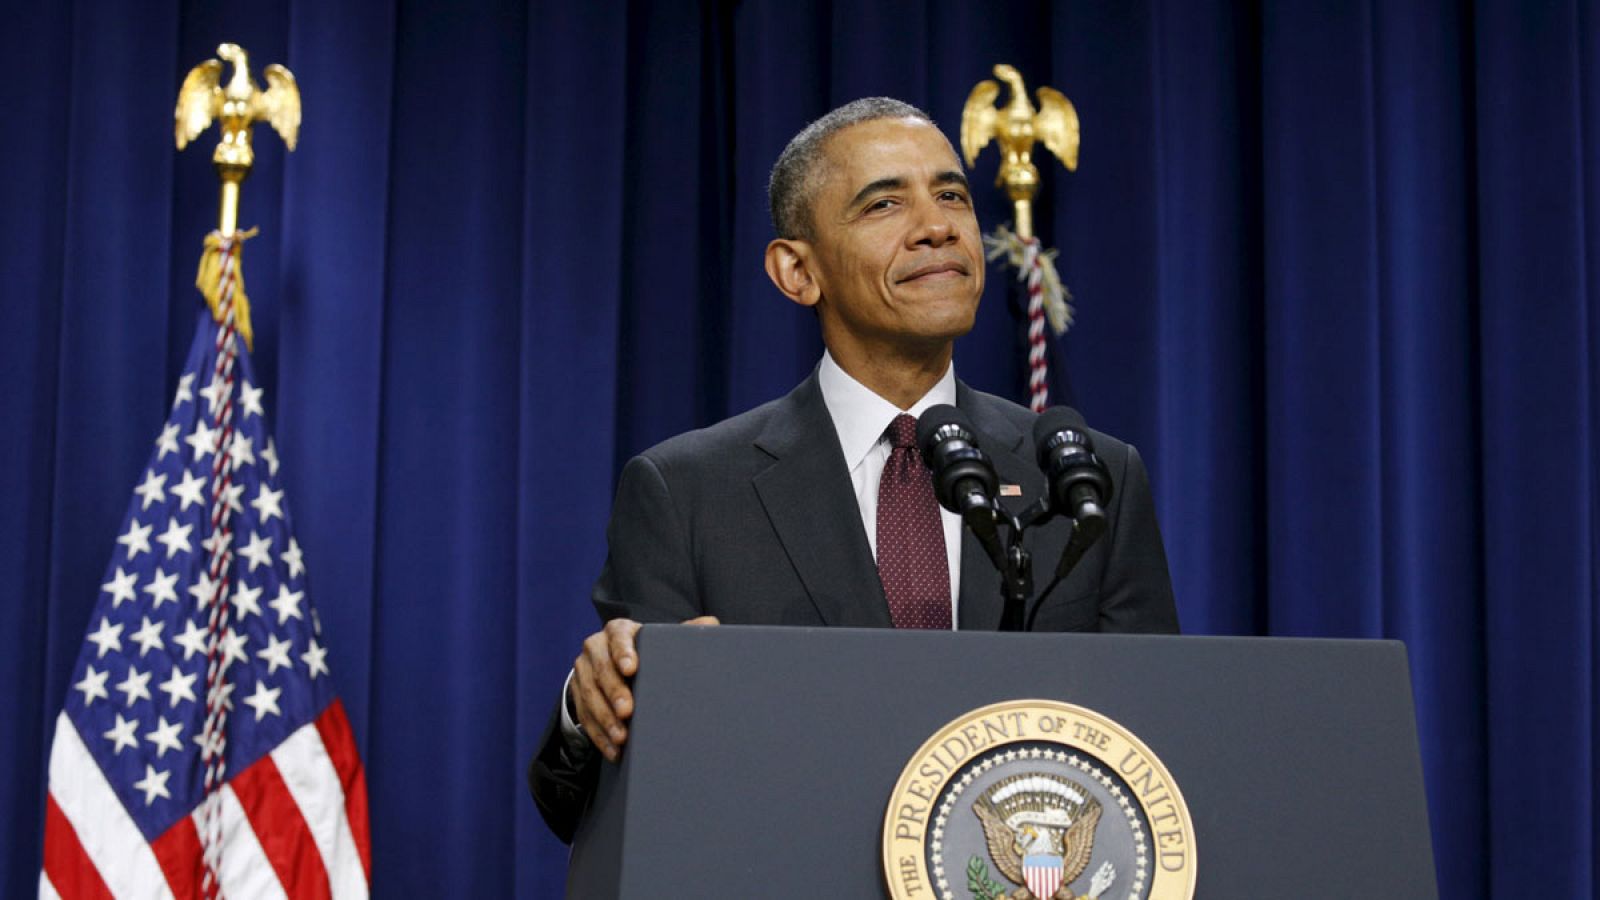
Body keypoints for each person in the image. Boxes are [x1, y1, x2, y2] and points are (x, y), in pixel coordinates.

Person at [529, 97, 1179, 843]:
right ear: (797, 271)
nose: (938, 226)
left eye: (952, 195)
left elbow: (1155, 747)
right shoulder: (686, 492)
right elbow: (592, 806)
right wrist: (590, 706)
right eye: (884, 204)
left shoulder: (1088, 476)